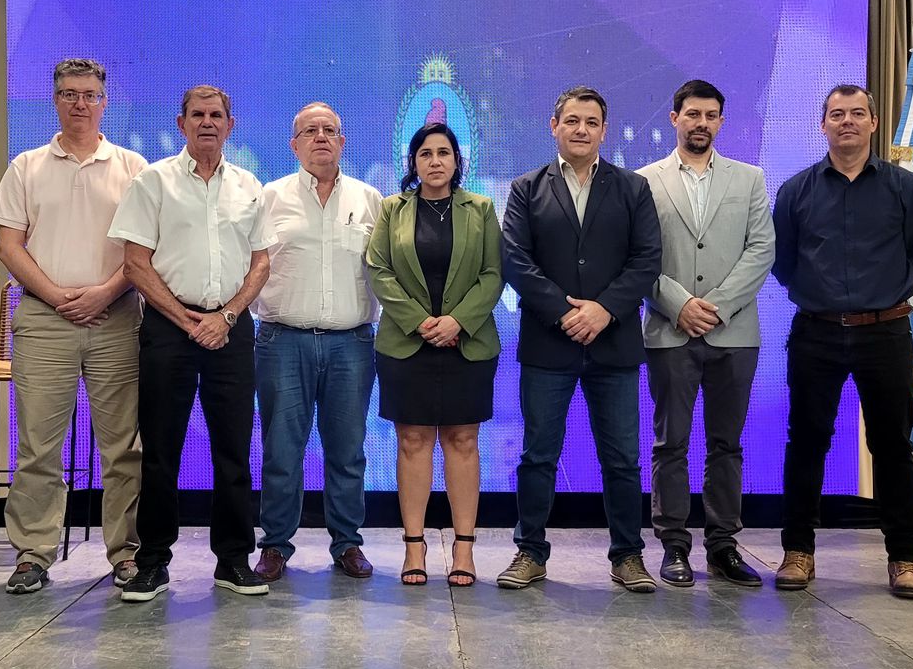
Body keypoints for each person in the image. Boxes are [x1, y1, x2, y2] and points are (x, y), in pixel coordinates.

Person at [107, 85, 273, 602]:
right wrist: (186, 320)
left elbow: (261, 262)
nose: (207, 122)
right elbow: (135, 263)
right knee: (160, 451)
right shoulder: (153, 181)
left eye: (216, 115)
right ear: (181, 124)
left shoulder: (249, 185)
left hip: (231, 327)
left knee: (234, 450)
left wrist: (226, 316)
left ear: (230, 125)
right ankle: (153, 561)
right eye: (197, 114)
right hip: (167, 328)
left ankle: (234, 560)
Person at [772, 84, 913, 600]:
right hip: (816, 333)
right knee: (806, 444)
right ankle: (798, 552)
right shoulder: (796, 191)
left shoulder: (906, 188)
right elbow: (783, 262)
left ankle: (905, 559)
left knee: (892, 447)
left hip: (885, 332)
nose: (847, 121)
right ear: (822, 124)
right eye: (837, 114)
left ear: (873, 123)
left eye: (857, 113)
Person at [0, 58, 146, 594]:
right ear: (54, 100)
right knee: (38, 446)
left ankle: (126, 553)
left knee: (124, 448)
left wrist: (104, 292)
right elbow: (9, 245)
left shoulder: (133, 167)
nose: (80, 103)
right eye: (69, 94)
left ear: (105, 102)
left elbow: (143, 250)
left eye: (89, 95)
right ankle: (33, 554)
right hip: (44, 317)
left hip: (116, 316)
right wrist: (57, 296)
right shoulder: (26, 166)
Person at [499, 86, 662, 592]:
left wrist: (603, 310)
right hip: (548, 344)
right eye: (571, 120)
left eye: (591, 122)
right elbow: (515, 260)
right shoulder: (527, 188)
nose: (581, 130)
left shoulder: (633, 188)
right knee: (538, 456)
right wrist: (565, 313)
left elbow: (647, 260)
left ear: (604, 131)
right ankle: (530, 552)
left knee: (622, 459)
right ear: (554, 126)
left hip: (614, 345)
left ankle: (628, 556)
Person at [635, 80, 774, 588]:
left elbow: (761, 250)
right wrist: (679, 306)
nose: (702, 123)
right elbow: (638, 257)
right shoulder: (643, 181)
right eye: (693, 114)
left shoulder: (750, 178)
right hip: (669, 330)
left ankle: (723, 547)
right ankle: (674, 546)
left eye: (711, 115)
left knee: (726, 445)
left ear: (721, 121)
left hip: (733, 333)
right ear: (674, 118)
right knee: (670, 443)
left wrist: (714, 308)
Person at [367, 123, 502, 587]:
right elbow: (378, 270)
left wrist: (457, 321)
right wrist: (420, 321)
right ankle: (414, 546)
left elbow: (492, 274)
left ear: (457, 160)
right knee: (412, 441)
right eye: (426, 154)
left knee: (463, 440)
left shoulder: (481, 209)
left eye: (444, 152)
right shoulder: (393, 209)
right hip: (408, 343)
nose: (435, 161)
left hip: (468, 343)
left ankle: (464, 548)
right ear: (414, 162)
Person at [252, 103, 383, 582]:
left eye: (330, 130)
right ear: (294, 144)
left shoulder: (370, 199)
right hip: (282, 341)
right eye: (310, 130)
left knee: (348, 450)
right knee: (282, 451)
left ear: (342, 142)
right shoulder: (269, 197)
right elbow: (249, 264)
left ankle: (347, 543)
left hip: (352, 343)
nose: (321, 137)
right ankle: (275, 545)